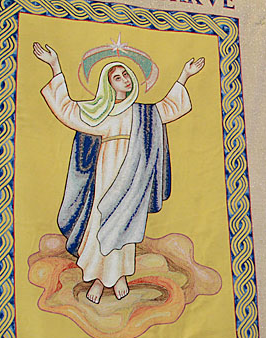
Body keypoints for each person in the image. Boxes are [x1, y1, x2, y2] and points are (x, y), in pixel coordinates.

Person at [33, 43, 204, 303]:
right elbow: (67, 110)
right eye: (117, 77)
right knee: (101, 222)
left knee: (125, 225)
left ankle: (120, 275)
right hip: (105, 173)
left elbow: (170, 107)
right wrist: (55, 65)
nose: (124, 79)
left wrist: (185, 75)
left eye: (126, 75)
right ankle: (99, 280)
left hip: (133, 176)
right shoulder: (98, 112)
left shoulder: (143, 113)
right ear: (108, 84)